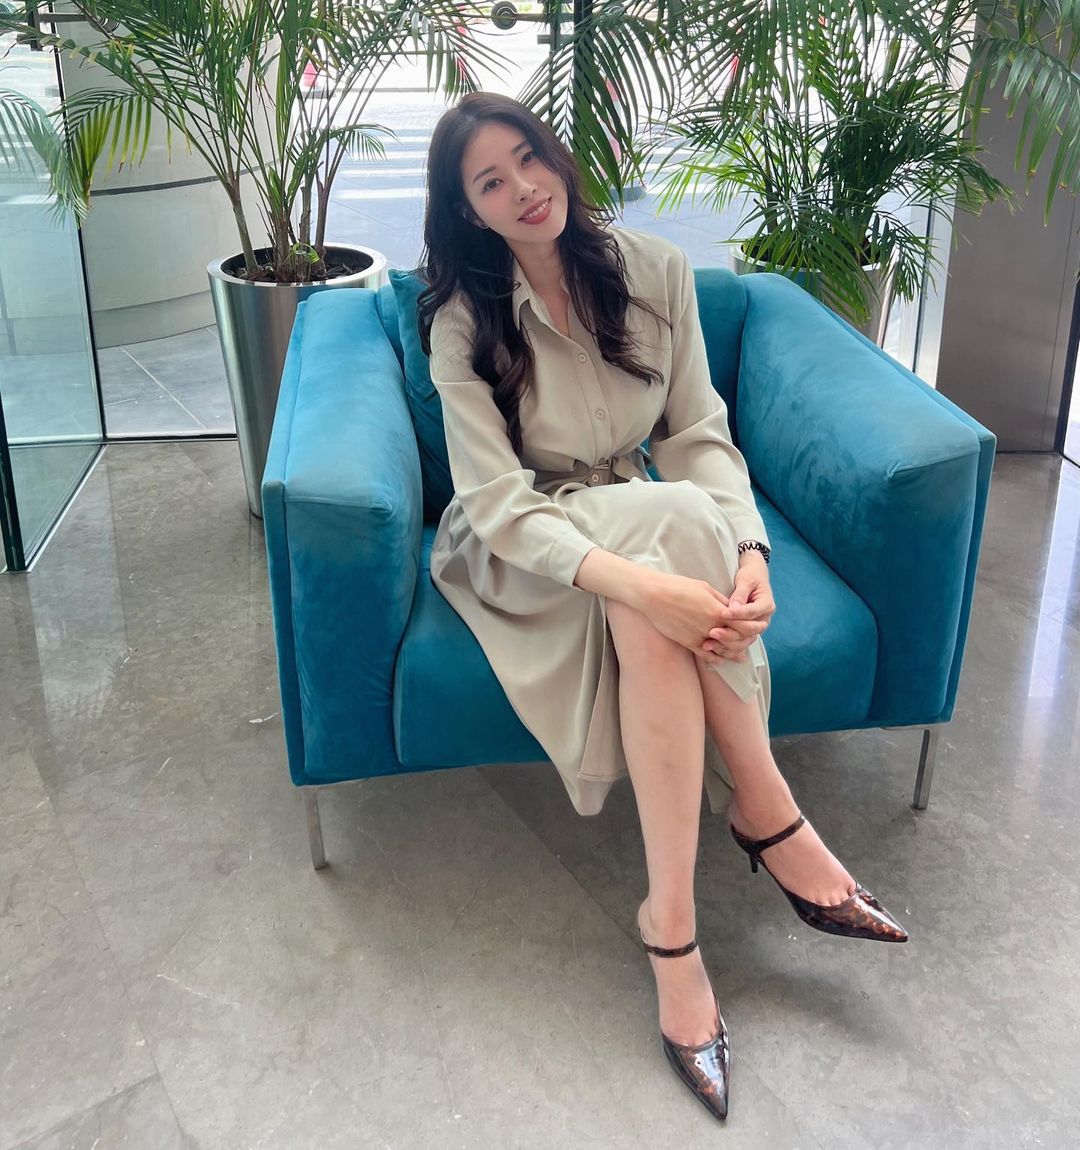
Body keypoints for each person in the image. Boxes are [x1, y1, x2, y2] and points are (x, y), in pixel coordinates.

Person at [414, 91, 908, 1122]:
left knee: (672, 533)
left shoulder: (655, 271)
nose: (524, 188)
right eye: (491, 182)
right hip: (526, 548)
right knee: (664, 542)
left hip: (644, 513)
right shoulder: (463, 319)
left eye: (528, 157)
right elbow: (494, 503)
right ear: (468, 211)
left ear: (556, 154)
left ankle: (671, 927)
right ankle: (766, 812)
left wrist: (749, 551)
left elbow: (695, 435)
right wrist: (640, 578)